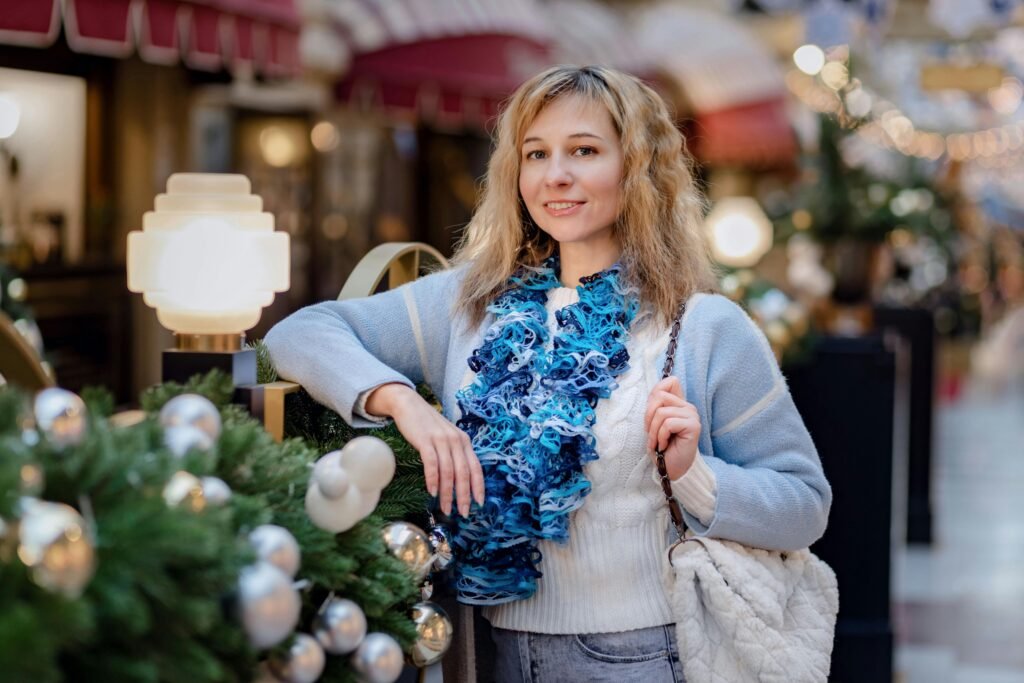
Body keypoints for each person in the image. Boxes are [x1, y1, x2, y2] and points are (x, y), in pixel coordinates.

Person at [265, 65, 831, 682]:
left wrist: (693, 476)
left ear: (636, 168)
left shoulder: (702, 326)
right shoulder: (469, 306)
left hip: (643, 657)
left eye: (584, 151)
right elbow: (300, 333)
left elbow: (805, 505)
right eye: (536, 154)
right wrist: (405, 405)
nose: (555, 175)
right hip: (493, 655)